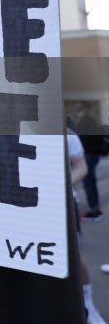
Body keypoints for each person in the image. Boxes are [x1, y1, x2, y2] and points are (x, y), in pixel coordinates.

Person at [68, 128, 107, 324]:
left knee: (75, 253)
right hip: (30, 203)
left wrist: (64, 183)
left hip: (65, 202)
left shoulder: (67, 133)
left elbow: (81, 166)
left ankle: (88, 305)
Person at [76, 107, 105, 221]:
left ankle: (94, 211)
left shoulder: (85, 123)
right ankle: (95, 208)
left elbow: (81, 139)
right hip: (94, 155)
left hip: (88, 155)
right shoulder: (94, 122)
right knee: (91, 182)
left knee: (88, 183)